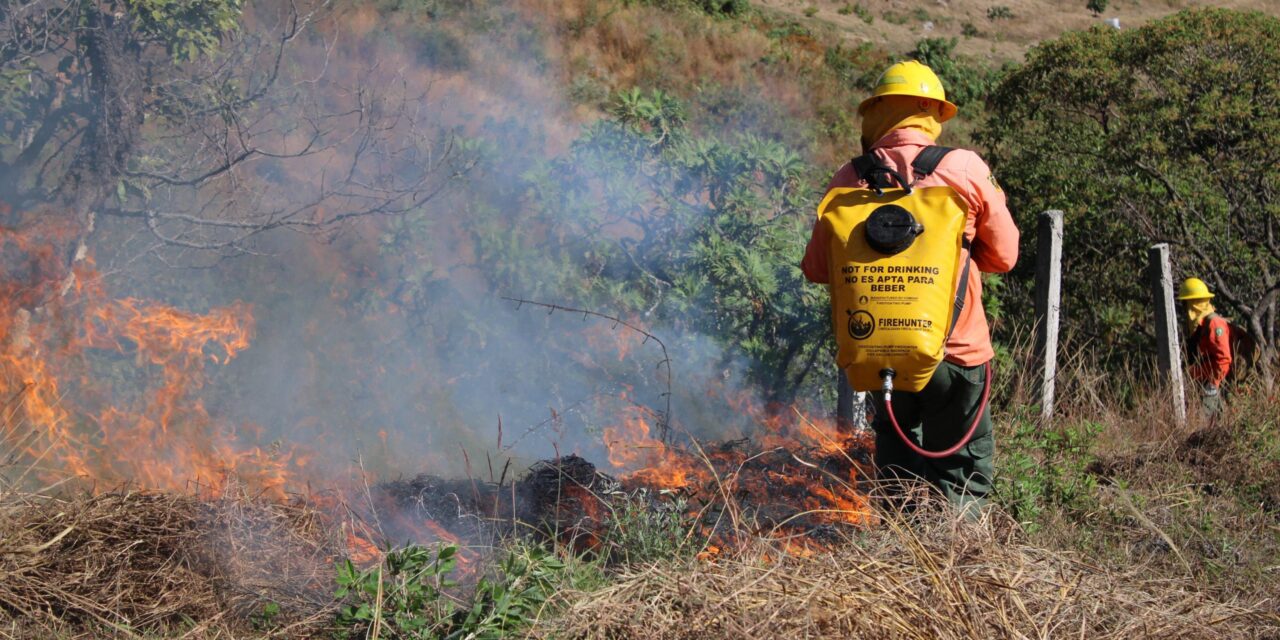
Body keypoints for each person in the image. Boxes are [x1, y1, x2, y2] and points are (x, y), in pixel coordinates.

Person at [800, 60, 1019, 514]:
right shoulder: (964, 168)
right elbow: (1005, 257)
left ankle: (899, 562)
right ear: (932, 112)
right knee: (960, 469)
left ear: (875, 112)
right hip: (955, 352)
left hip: (878, 352)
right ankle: (956, 564)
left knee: (897, 468)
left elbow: (817, 268)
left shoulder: (848, 178)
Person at [1177, 277, 1232, 416]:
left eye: (1185, 303)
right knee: (1216, 425)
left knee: (1203, 423)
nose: (1184, 307)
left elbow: (1224, 359)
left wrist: (1213, 385)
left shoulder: (1215, 324)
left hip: (1213, 384)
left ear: (1193, 303)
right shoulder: (1199, 325)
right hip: (1203, 382)